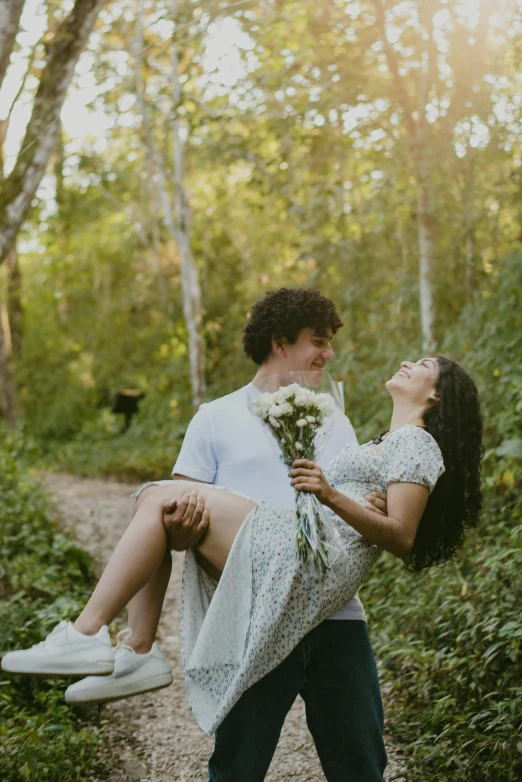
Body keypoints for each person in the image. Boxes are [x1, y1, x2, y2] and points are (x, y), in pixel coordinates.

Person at [2, 345, 483, 782]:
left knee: (155, 499)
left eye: (422, 366)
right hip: (301, 549)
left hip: (302, 558)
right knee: (161, 503)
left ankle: (100, 638)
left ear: (436, 396)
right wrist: (353, 502)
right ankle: (135, 648)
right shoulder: (386, 441)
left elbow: (402, 537)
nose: (408, 362)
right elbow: (377, 516)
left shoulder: (416, 443)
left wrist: (332, 494)